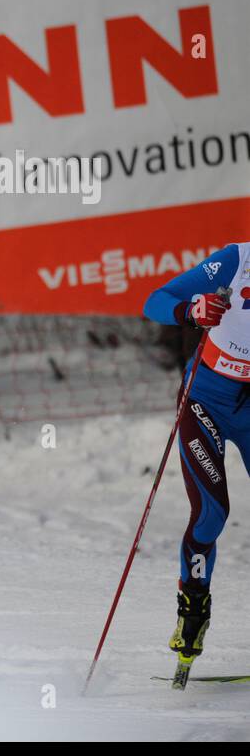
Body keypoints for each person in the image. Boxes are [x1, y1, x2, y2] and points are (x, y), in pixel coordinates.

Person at [143, 243, 244, 675]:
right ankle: (193, 611)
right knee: (210, 515)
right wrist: (192, 310)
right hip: (206, 397)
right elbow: (155, 302)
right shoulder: (237, 259)